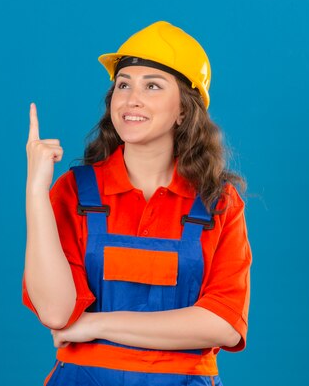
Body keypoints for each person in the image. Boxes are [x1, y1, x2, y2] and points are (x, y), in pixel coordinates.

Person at [22, 20, 252, 386]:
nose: (132, 99)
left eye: (153, 86)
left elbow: (222, 324)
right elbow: (55, 312)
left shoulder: (218, 201)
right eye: (123, 85)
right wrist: (36, 193)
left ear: (183, 111)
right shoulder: (74, 192)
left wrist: (95, 324)